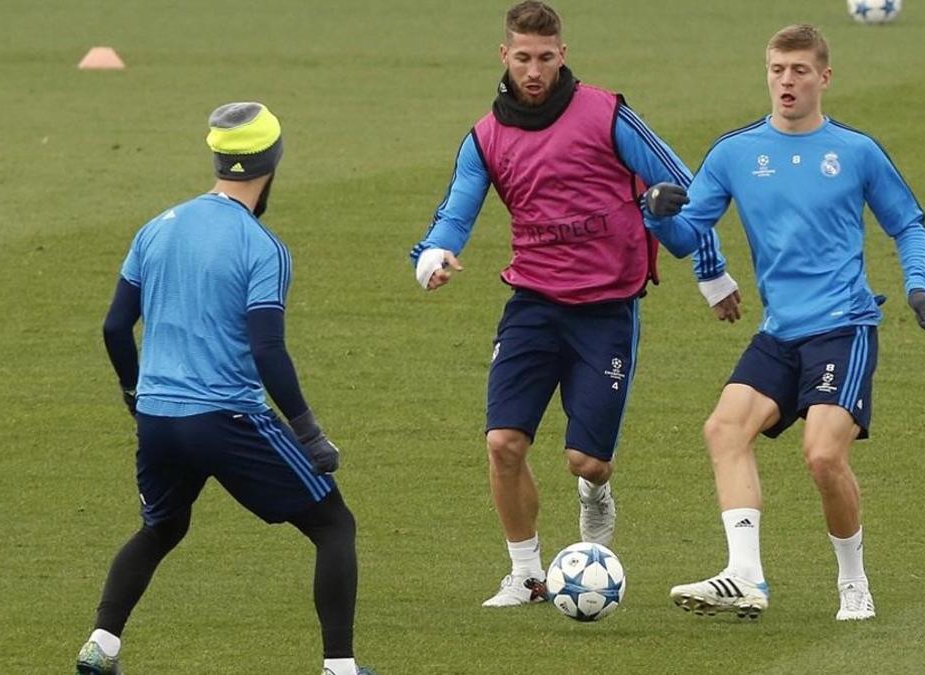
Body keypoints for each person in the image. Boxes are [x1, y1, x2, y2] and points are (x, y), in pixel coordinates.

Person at [409, 1, 735, 608]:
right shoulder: (485, 137)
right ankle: (526, 576)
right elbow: (454, 212)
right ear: (504, 57)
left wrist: (711, 274)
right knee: (504, 443)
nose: (535, 71)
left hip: (606, 311)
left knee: (587, 462)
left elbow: (683, 189)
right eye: (524, 58)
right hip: (532, 302)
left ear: (564, 55)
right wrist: (433, 257)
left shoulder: (606, 114)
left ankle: (596, 494)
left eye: (547, 58)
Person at [642, 24, 925, 621]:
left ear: (823, 78)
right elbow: (686, 235)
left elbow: (907, 221)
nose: (786, 81)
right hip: (780, 332)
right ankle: (746, 576)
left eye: (799, 70)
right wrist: (656, 214)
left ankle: (853, 582)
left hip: (844, 326)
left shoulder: (856, 152)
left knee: (823, 456)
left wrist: (918, 286)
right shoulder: (734, 154)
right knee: (723, 430)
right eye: (778, 69)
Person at [74, 102, 371, 675]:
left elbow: (114, 327)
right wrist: (309, 433)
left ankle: (101, 644)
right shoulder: (262, 247)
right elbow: (267, 350)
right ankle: (340, 668)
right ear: (274, 160)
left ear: (218, 157)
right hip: (227, 419)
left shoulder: (157, 227)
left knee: (161, 526)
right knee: (334, 525)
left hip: (158, 419)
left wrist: (136, 396)